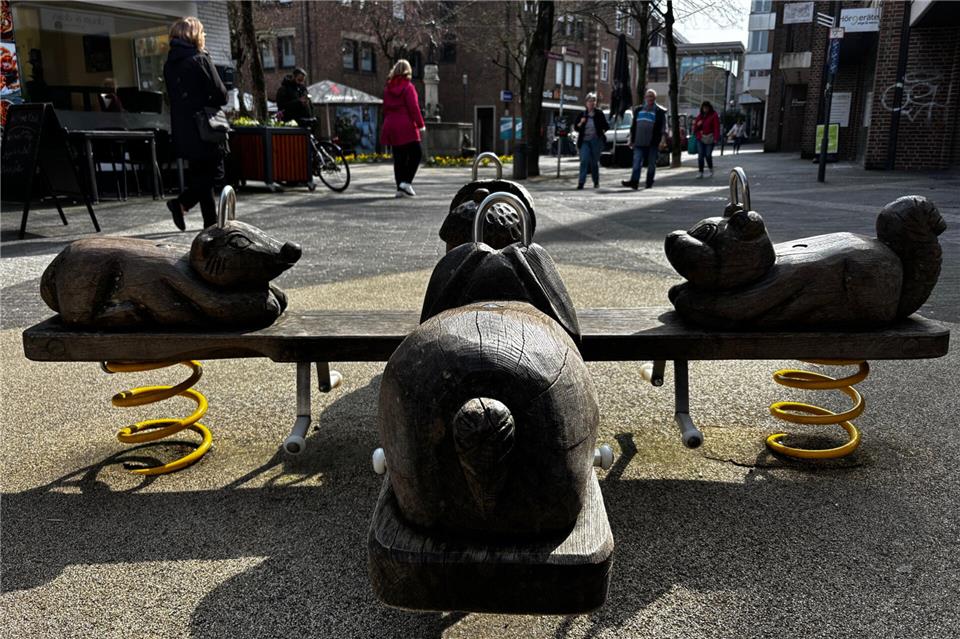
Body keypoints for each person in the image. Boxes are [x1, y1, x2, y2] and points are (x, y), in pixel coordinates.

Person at [163, 16, 228, 230]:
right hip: (206, 127)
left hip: (184, 129)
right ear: (195, 35)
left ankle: (209, 223)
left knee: (201, 174)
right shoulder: (199, 58)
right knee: (214, 174)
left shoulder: (170, 64)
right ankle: (182, 202)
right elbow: (221, 94)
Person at [381, 59, 425, 197]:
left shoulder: (388, 88)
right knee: (416, 153)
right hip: (406, 125)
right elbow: (414, 108)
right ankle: (406, 182)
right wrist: (420, 124)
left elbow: (385, 108)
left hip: (391, 125)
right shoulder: (408, 87)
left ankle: (400, 187)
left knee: (399, 157)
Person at [622, 89, 666, 190]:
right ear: (645, 98)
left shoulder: (659, 111)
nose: (649, 98)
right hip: (639, 141)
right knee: (636, 162)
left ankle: (649, 182)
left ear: (655, 98)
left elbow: (663, 127)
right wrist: (631, 139)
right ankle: (634, 182)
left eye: (651, 96)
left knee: (651, 164)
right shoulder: (638, 110)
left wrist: (662, 140)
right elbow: (633, 126)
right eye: (648, 96)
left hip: (653, 142)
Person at [573, 93, 608, 189]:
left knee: (594, 162)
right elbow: (576, 127)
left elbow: (606, 126)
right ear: (586, 103)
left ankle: (596, 181)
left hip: (596, 141)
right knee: (584, 160)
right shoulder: (582, 114)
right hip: (584, 141)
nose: (591, 103)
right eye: (590, 101)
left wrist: (600, 132)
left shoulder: (599, 114)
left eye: (593, 101)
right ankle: (581, 182)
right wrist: (581, 122)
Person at [693, 100, 721, 178]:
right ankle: (700, 172)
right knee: (700, 155)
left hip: (710, 138)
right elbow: (695, 129)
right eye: (703, 108)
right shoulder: (700, 116)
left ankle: (710, 168)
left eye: (706, 108)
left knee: (708, 155)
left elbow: (716, 127)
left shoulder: (714, 115)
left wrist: (716, 138)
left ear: (709, 108)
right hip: (701, 138)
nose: (705, 109)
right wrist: (698, 125)